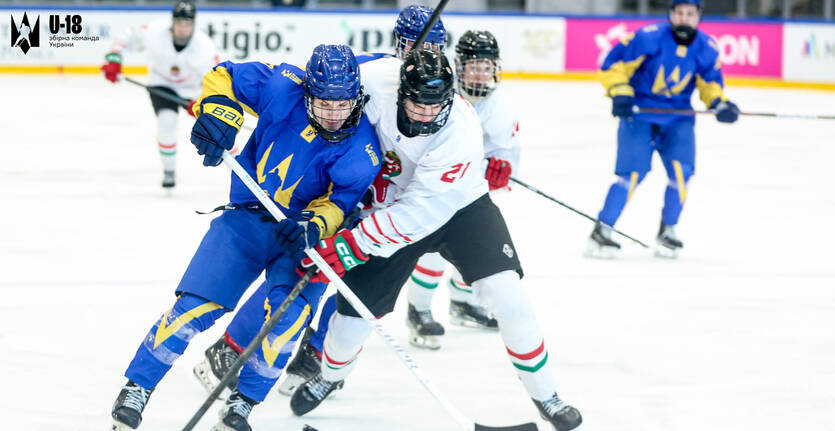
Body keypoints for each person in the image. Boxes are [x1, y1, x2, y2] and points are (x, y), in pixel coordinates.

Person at [287, 48, 582, 431]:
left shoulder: (461, 130)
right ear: (400, 92)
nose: (426, 115)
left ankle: (546, 395)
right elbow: (325, 77)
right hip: (388, 206)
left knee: (510, 298)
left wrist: (352, 242)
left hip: (459, 206)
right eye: (417, 105)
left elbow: (419, 214)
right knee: (350, 320)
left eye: (435, 106)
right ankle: (329, 374)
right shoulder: (378, 79)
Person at [108, 44, 381, 431]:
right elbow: (225, 76)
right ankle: (137, 386)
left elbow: (341, 201)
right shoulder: (281, 84)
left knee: (286, 324)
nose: (335, 115)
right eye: (324, 104)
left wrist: (311, 227)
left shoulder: (364, 148)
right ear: (307, 92)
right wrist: (220, 114)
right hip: (246, 222)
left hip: (298, 241)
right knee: (193, 310)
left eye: (344, 104)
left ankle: (242, 405)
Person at [585, 0, 740, 259]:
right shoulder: (648, 38)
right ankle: (603, 229)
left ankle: (668, 230)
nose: (683, 19)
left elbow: (709, 84)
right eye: (679, 13)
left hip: (678, 118)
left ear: (698, 16)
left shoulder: (707, 48)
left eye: (689, 14)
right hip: (640, 114)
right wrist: (621, 92)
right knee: (631, 174)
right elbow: (614, 66)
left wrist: (719, 103)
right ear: (671, 14)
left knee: (682, 173)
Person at [403, 29, 522, 350]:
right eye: (474, 66)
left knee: (478, 247)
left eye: (487, 67)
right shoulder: (440, 95)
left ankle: (462, 302)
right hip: (433, 187)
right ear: (460, 66)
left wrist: (502, 171)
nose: (480, 74)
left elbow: (507, 156)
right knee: (434, 252)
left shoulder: (502, 109)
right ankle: (419, 308)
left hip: (470, 192)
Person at [101, 1, 219, 189]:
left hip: (192, 90)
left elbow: (214, 80)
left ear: (193, 24)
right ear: (172, 22)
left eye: (187, 24)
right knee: (167, 122)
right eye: (179, 23)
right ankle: (169, 171)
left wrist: (202, 101)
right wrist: (114, 57)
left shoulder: (204, 46)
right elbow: (127, 36)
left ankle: (239, 168)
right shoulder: (155, 31)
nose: (182, 28)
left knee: (216, 129)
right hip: (161, 84)